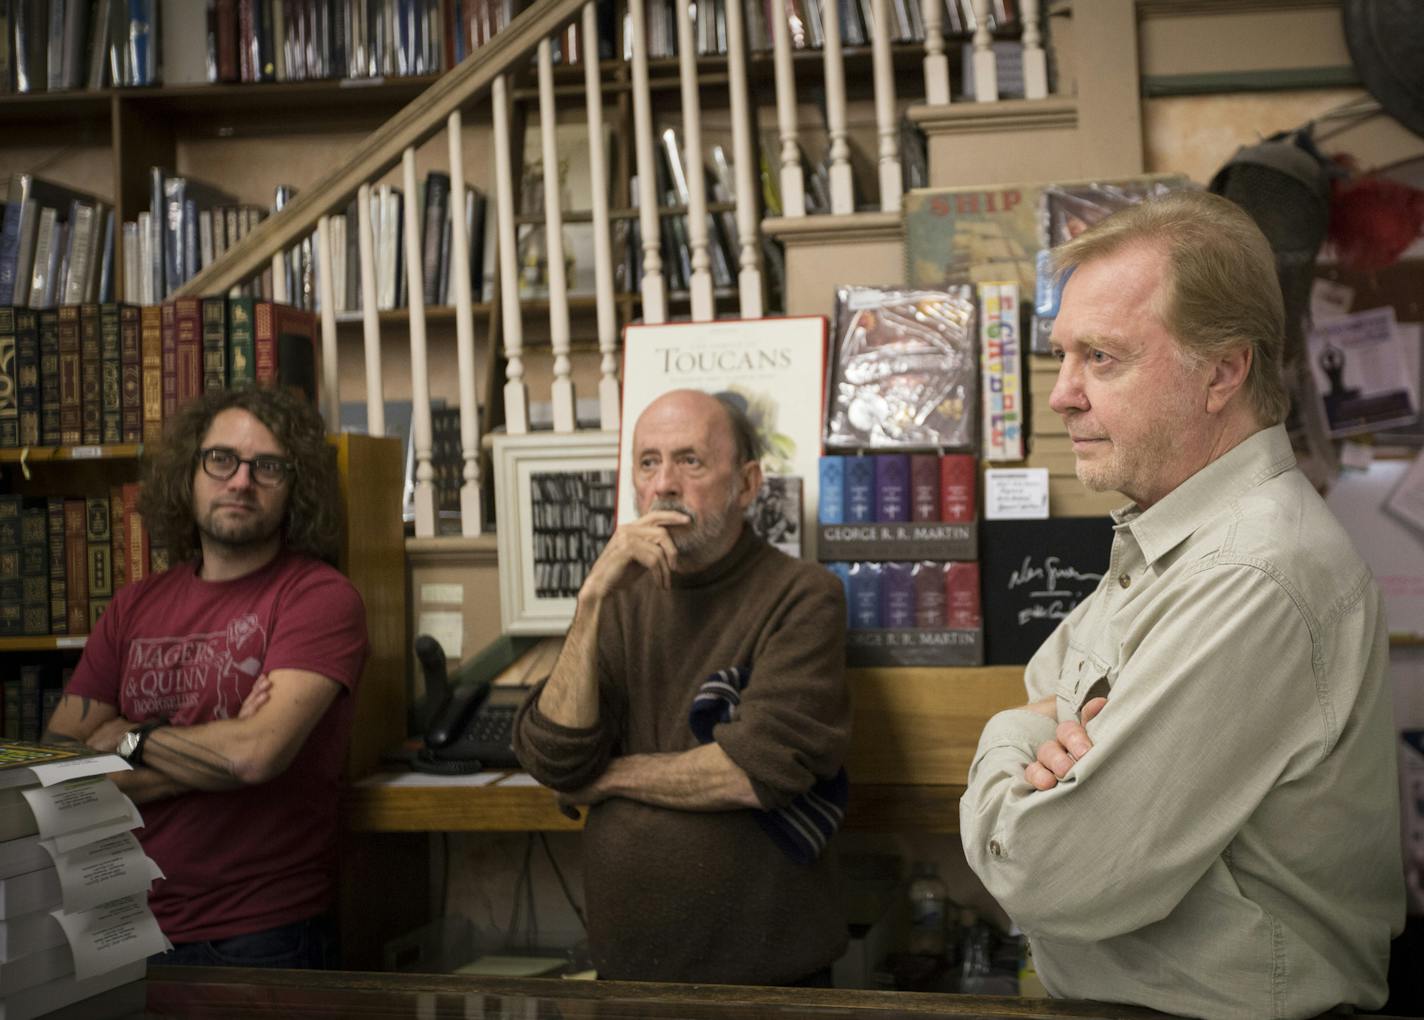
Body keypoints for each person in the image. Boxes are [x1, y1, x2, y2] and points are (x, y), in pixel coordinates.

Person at [959, 190, 1404, 1018]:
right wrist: (1036, 726)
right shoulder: (1174, 533)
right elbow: (1046, 687)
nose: (1061, 395)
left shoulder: (1252, 573)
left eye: (1102, 358)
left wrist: (1002, 736)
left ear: (1223, 371)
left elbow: (1047, 874)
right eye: (1064, 356)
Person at [513, 388, 851, 986]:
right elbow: (557, 758)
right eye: (648, 462)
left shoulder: (802, 594)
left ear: (746, 484)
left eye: (690, 461)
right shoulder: (618, 599)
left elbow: (755, 773)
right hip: (627, 972)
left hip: (765, 979)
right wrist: (591, 599)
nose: (664, 483)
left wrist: (611, 777)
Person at [45, 386, 369, 969]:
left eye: (267, 466)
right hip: (118, 927)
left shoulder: (319, 598)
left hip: (258, 938)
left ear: (296, 486)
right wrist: (211, 761)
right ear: (188, 473)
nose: (240, 481)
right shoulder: (132, 607)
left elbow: (253, 756)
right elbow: (59, 780)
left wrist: (127, 739)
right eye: (221, 460)